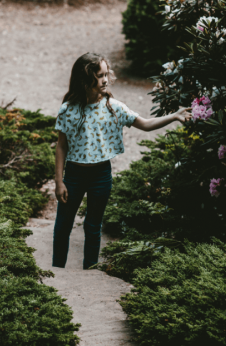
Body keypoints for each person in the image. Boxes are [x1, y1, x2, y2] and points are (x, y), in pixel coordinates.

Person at [53, 52, 191, 270]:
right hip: (73, 176)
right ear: (84, 79)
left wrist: (174, 115)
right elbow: (61, 146)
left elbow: (145, 123)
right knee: (63, 225)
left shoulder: (113, 107)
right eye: (99, 76)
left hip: (100, 176)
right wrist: (59, 181)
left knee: (93, 225)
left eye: (106, 74)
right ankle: (57, 271)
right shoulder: (68, 110)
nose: (105, 80)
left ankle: (90, 270)